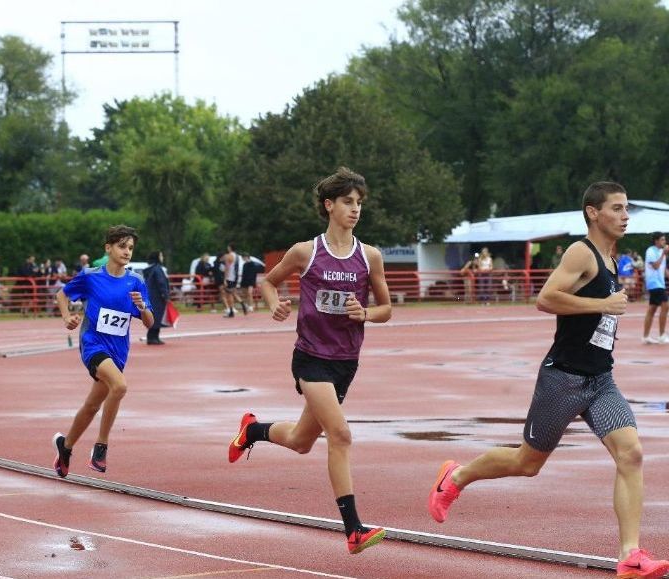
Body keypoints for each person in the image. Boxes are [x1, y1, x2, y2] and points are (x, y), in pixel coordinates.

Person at [427, 182, 669, 579]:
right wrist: (602, 304)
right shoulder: (582, 252)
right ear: (593, 212)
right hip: (564, 380)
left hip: (599, 380)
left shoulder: (611, 259)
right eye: (617, 208)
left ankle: (629, 554)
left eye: (627, 208)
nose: (626, 215)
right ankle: (456, 477)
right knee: (527, 463)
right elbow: (546, 298)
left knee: (632, 454)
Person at [227, 167, 392, 555]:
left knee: (303, 441)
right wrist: (275, 305)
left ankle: (252, 431)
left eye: (359, 203)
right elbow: (268, 281)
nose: (355, 210)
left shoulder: (370, 257)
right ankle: (354, 530)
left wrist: (365, 314)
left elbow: (386, 308)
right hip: (311, 358)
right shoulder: (306, 251)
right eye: (348, 202)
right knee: (341, 435)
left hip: (345, 362)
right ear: (329, 205)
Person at [52, 225, 154, 478]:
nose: (127, 251)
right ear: (108, 248)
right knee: (119, 387)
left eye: (131, 247)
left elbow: (150, 322)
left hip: (118, 352)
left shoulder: (136, 281)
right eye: (122, 246)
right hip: (93, 345)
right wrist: (67, 318)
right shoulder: (91, 277)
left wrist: (142, 308)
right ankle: (101, 446)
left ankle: (65, 447)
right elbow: (62, 295)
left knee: (91, 406)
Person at [641, 232, 669, 345]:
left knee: (652, 310)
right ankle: (662, 335)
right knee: (666, 305)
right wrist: (664, 254)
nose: (665, 242)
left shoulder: (661, 252)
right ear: (656, 241)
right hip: (654, 283)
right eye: (662, 240)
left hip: (659, 283)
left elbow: (663, 269)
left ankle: (645, 336)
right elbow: (656, 266)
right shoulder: (651, 251)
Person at [143, 250, 170, 345]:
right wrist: (165, 295)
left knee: (155, 317)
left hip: (151, 296)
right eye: (161, 256)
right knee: (157, 317)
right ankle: (152, 337)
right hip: (157, 297)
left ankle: (154, 337)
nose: (162, 257)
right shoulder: (158, 269)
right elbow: (161, 283)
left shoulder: (150, 269)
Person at [222, 243, 247, 317]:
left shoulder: (229, 256)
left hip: (230, 277)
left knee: (228, 295)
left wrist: (225, 279)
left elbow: (227, 268)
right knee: (233, 293)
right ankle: (242, 303)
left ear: (230, 248)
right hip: (235, 277)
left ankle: (231, 311)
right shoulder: (237, 256)